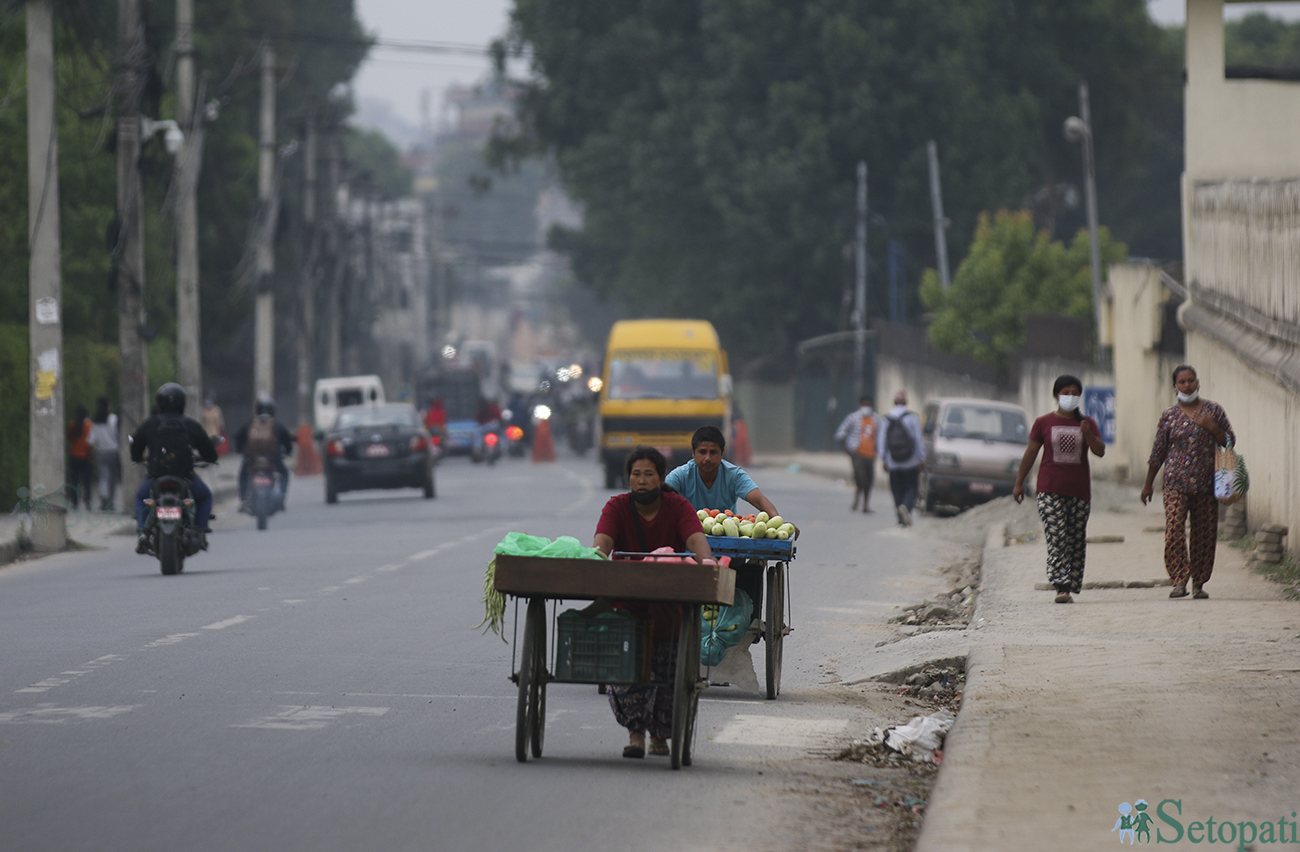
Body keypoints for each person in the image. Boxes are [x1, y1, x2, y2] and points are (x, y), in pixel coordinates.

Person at [594, 446, 713, 759]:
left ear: (661, 478)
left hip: (667, 605)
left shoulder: (678, 506)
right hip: (628, 603)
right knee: (628, 666)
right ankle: (636, 735)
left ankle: (661, 735)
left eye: (649, 474)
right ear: (628, 478)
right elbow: (603, 541)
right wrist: (594, 559)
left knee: (668, 668)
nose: (642, 480)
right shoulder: (616, 507)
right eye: (636, 474)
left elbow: (694, 538)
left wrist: (708, 562)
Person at [665, 425, 796, 624]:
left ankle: (744, 617)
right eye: (702, 452)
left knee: (748, 571)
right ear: (693, 453)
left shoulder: (733, 474)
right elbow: (663, 497)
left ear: (722, 454)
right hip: (690, 544)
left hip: (728, 547)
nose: (707, 458)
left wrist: (777, 522)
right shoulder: (682, 475)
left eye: (713, 453)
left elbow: (759, 500)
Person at [1141, 365, 1235, 600]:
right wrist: (1148, 483)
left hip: (1206, 484)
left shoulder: (1213, 410)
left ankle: (1199, 583)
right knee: (1174, 529)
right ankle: (1179, 580)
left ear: (1198, 383)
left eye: (1191, 380)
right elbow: (1158, 452)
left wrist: (1211, 427)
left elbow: (1229, 441)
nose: (1187, 385)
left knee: (1204, 533)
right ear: (1175, 386)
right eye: (1182, 382)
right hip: (1175, 483)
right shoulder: (1169, 416)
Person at [1012, 375, 1105, 603]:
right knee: (1057, 536)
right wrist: (1019, 482)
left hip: (1079, 491)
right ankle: (1061, 586)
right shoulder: (1043, 423)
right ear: (1056, 396)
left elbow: (1100, 452)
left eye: (1075, 393)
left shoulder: (1088, 423)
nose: (1070, 397)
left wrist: (1089, 435)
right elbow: (1031, 453)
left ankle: (1072, 583)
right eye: (1066, 392)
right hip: (1049, 489)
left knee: (1075, 539)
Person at [130, 383, 218, 553]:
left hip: (156, 478)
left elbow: (135, 449)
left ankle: (142, 532)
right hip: (185, 478)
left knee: (141, 496)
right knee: (205, 496)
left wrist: (138, 458)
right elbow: (210, 453)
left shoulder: (150, 424)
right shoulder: (191, 425)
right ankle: (200, 530)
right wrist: (209, 459)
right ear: (182, 403)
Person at [233, 397, 295, 506]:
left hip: (252, 459)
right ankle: (282, 496)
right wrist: (288, 452)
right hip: (273, 459)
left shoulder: (249, 425)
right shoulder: (278, 425)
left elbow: (238, 439)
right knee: (284, 474)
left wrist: (240, 451)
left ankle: (243, 498)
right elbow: (287, 442)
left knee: (243, 475)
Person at [877, 389, 925, 527]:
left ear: (894, 402)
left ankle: (900, 516)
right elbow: (918, 440)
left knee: (896, 489)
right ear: (906, 402)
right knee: (911, 488)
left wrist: (884, 460)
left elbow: (881, 442)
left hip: (893, 462)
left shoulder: (886, 418)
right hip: (911, 462)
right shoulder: (913, 418)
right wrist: (922, 458)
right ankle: (906, 508)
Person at [834, 395, 879, 513]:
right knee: (860, 479)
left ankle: (865, 505)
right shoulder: (853, 418)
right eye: (864, 404)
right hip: (858, 454)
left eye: (868, 404)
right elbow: (840, 433)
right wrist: (846, 449)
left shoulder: (876, 419)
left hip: (871, 454)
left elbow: (881, 435)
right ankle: (856, 501)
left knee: (869, 480)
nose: (866, 407)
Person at [88, 397, 119, 511]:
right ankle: (111, 501)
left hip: (100, 452)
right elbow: (118, 435)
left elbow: (91, 440)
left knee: (103, 477)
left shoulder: (95, 421)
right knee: (113, 478)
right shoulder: (114, 419)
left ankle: (104, 499)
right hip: (114, 451)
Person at [66, 405, 94, 509]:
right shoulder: (89, 425)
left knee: (75, 480)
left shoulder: (72, 424)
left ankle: (75, 501)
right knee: (87, 480)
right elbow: (91, 442)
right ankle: (87, 499)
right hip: (86, 456)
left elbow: (69, 437)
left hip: (74, 456)